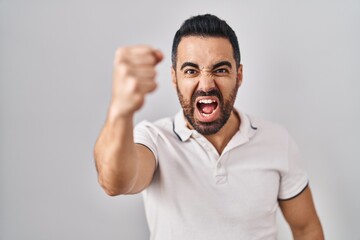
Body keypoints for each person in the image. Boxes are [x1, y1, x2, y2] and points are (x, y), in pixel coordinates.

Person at [94, 14, 324, 240]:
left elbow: (306, 229)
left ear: (239, 75)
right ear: (174, 77)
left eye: (220, 70)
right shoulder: (155, 139)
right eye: (191, 71)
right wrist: (120, 112)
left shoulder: (276, 141)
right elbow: (114, 182)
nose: (206, 84)